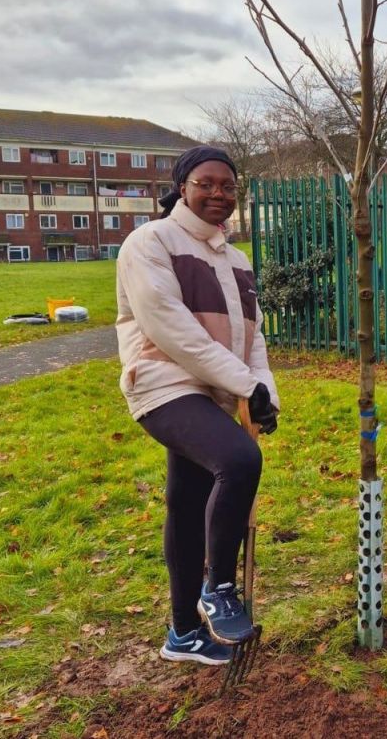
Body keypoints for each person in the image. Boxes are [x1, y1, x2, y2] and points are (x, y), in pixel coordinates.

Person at [115, 146, 280, 666]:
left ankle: (183, 634)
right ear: (182, 186)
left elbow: (251, 338)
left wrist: (263, 391)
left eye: (228, 187)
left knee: (186, 505)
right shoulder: (150, 243)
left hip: (211, 391)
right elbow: (170, 327)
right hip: (162, 383)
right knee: (238, 460)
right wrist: (241, 383)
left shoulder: (236, 259)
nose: (218, 195)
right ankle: (219, 585)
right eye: (206, 183)